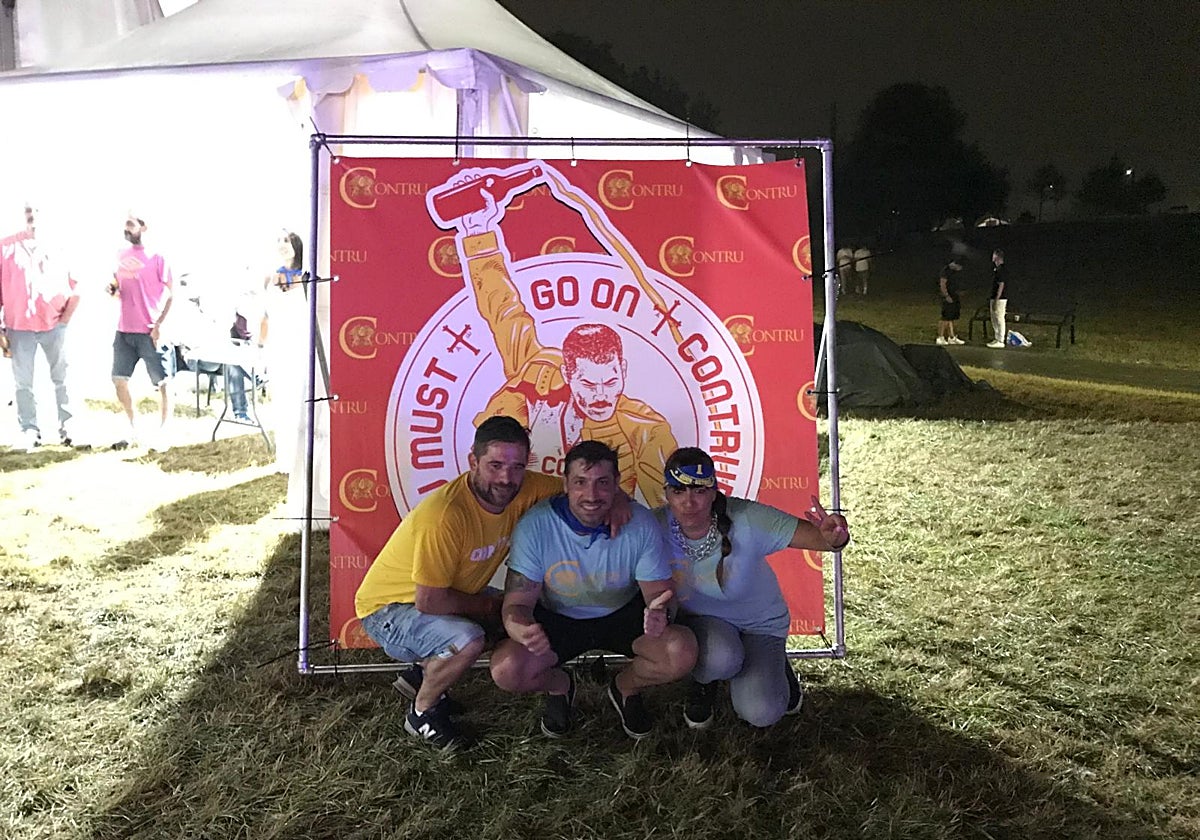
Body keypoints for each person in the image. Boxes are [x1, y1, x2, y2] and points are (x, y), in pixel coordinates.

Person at [354, 416, 629, 749]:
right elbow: (430, 602)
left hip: (444, 596)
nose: (506, 478)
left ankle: (424, 674)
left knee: (525, 613)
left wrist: (618, 500)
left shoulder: (527, 486)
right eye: (495, 465)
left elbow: (584, 489)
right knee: (470, 637)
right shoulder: (444, 515)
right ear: (473, 461)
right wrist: (488, 607)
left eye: (516, 467)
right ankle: (422, 712)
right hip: (390, 609)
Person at [445, 169, 678, 507]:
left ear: (623, 370)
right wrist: (479, 232)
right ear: (569, 375)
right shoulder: (537, 374)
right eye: (588, 384)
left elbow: (666, 512)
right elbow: (504, 310)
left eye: (610, 382)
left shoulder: (644, 427)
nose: (601, 396)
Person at [489, 440, 697, 741]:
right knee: (506, 670)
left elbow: (660, 595)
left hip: (623, 613)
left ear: (617, 486)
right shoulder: (535, 525)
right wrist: (517, 626)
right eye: (580, 483)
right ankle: (560, 686)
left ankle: (625, 687)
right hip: (557, 618)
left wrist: (661, 613)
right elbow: (517, 602)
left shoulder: (640, 523)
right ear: (565, 484)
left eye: (602, 483)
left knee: (681, 650)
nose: (591, 495)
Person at [654, 447, 849, 729]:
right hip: (705, 625)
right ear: (667, 493)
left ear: (713, 492)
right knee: (720, 659)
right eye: (679, 491)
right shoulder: (654, 524)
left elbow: (824, 541)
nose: (688, 502)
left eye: (698, 491)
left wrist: (835, 535)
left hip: (761, 624)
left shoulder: (745, 516)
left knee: (762, 711)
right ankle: (704, 681)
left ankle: (775, 665)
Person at [0, 204, 79, 451]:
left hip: (54, 325)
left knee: (63, 377)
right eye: (27, 210)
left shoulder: (61, 247)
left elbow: (77, 287)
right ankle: (29, 430)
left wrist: (64, 320)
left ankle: (70, 428)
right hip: (18, 326)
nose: (32, 214)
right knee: (23, 382)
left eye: (37, 209)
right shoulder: (5, 247)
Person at [109, 210, 174, 450]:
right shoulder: (120, 255)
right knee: (119, 380)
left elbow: (170, 293)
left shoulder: (158, 257)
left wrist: (159, 325)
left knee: (163, 383)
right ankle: (133, 428)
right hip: (124, 330)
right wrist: (113, 291)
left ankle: (163, 432)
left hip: (150, 331)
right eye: (125, 225)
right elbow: (118, 286)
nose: (126, 229)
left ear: (143, 227)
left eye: (130, 225)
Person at [936, 258, 965, 345]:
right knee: (945, 317)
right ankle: (940, 337)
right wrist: (946, 296)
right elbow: (942, 284)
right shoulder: (946, 271)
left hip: (954, 296)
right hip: (948, 297)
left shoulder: (953, 271)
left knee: (950, 318)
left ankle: (951, 337)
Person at [987, 249, 1008, 348]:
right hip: (994, 297)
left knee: (999, 318)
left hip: (1000, 298)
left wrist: (997, 298)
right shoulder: (996, 269)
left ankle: (1001, 339)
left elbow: (1001, 285)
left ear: (998, 257)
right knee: (994, 318)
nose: (992, 257)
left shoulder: (1001, 270)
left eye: (994, 255)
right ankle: (996, 338)